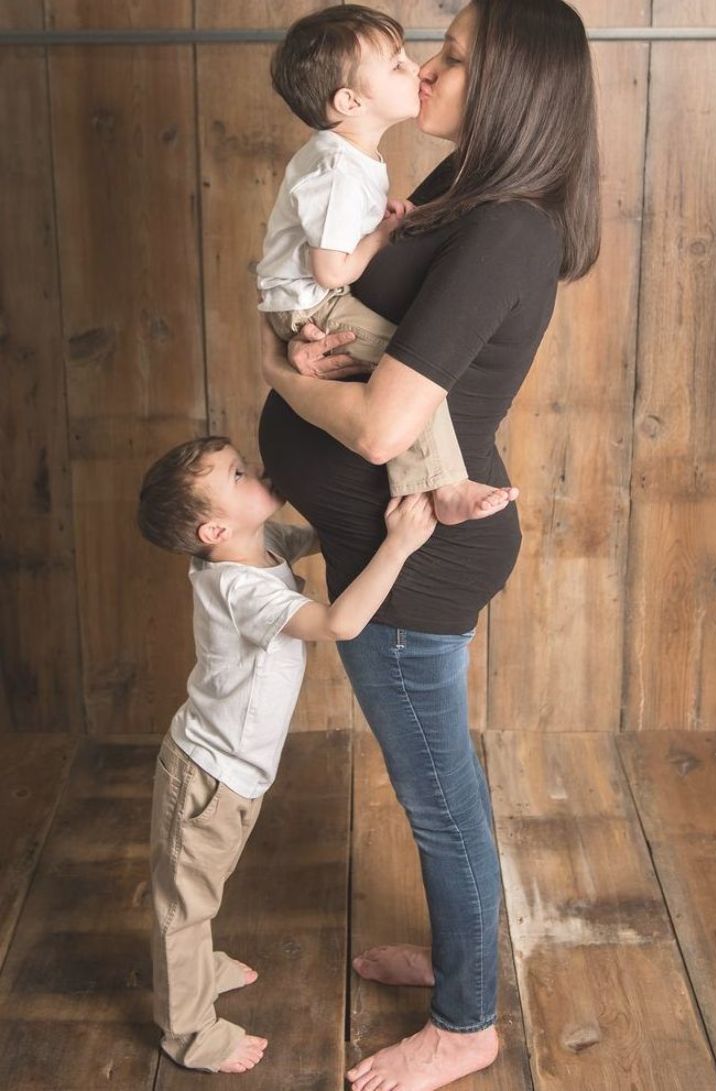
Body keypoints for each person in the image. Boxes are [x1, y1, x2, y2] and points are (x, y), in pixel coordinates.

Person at [257, 0, 600, 1087]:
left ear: (509, 90)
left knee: (440, 798)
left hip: (414, 562)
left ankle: (466, 1019)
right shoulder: (457, 192)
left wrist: (277, 377)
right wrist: (316, 344)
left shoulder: (509, 226)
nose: (432, 73)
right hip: (383, 540)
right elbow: (361, 336)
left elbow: (382, 426)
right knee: (440, 791)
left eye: (453, 58)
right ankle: (463, 955)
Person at [137, 435, 435, 1074]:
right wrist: (399, 544)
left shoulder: (262, 543)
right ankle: (191, 1033)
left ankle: (196, 963)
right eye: (238, 474)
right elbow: (337, 625)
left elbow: (316, 535)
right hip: (206, 776)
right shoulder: (238, 588)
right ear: (215, 528)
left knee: (199, 891)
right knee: (182, 907)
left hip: (234, 775)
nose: (255, 471)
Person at [257, 4, 516, 526]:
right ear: (350, 101)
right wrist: (380, 234)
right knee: (409, 368)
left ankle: (441, 484)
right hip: (317, 301)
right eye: (397, 64)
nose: (418, 68)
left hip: (310, 302)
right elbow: (331, 270)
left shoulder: (349, 158)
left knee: (410, 374)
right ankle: (445, 484)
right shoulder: (337, 169)